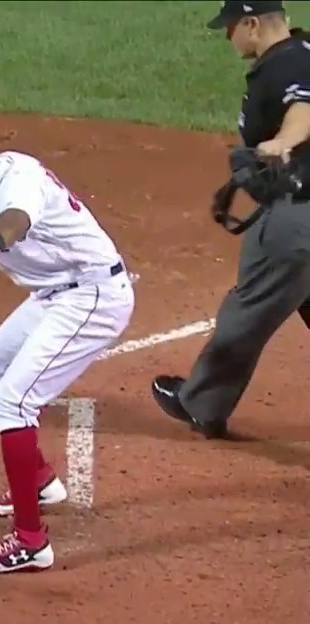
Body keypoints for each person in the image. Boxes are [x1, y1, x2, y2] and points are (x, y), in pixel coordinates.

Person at [0, 134, 135, 575]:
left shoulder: (15, 184)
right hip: (55, 293)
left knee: (12, 404)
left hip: (93, 296)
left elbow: (16, 220)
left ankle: (31, 542)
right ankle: (40, 482)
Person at [152, 0, 310, 439]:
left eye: (231, 27)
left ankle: (201, 403)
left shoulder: (287, 66)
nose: (227, 36)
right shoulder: (302, 50)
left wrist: (282, 142)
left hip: (297, 219)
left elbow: (305, 109)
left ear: (252, 23)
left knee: (248, 309)